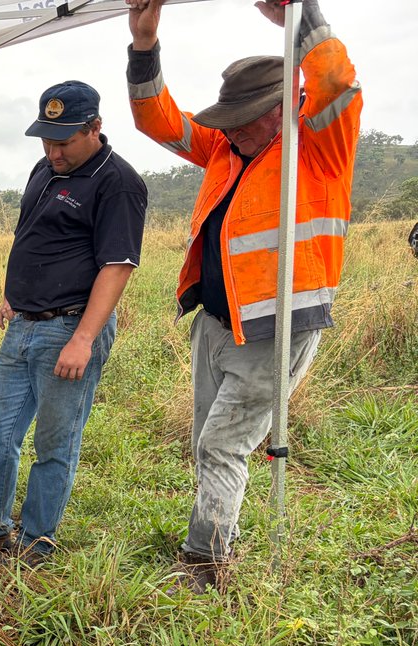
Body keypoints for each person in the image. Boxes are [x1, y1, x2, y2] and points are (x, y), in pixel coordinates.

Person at [126, 0, 361, 591]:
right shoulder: (223, 149)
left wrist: (298, 15)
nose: (229, 128)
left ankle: (204, 566)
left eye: (244, 117)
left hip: (277, 325)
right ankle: (218, 538)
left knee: (222, 445)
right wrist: (145, 43)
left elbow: (334, 80)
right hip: (214, 321)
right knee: (209, 441)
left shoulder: (319, 149)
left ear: (281, 109)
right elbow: (159, 121)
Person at [0, 82, 148, 563]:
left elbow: (117, 265)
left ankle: (35, 543)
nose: (53, 151)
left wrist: (84, 338)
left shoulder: (119, 183)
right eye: (46, 139)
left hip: (69, 329)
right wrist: (13, 293)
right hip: (22, 324)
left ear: (95, 128)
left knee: (54, 440)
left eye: (64, 141)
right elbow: (32, 236)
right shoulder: (44, 169)